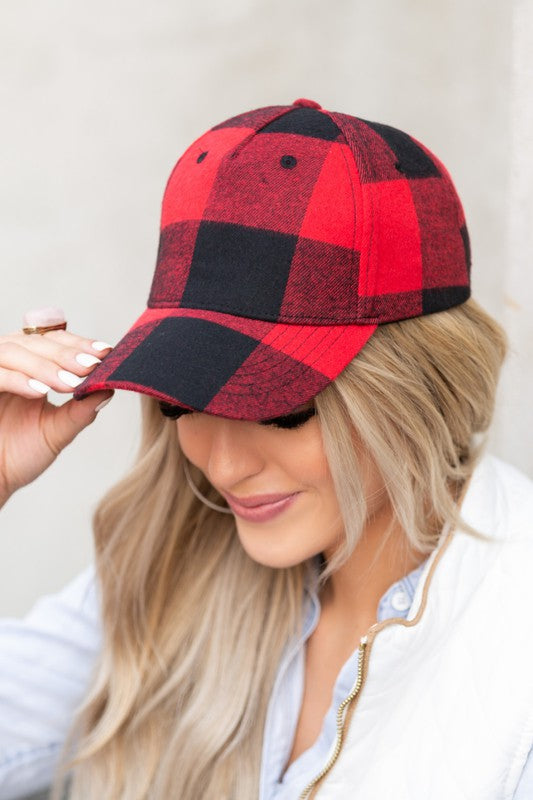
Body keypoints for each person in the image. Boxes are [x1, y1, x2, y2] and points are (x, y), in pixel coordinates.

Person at [1, 98, 532, 800]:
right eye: (182, 401)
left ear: (418, 387)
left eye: (282, 410)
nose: (223, 468)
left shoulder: (513, 645)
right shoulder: (171, 564)